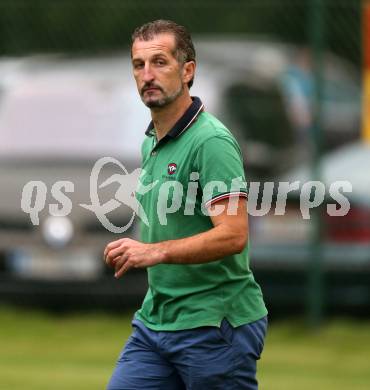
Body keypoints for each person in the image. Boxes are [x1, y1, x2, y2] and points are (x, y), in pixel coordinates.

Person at [104, 19, 268, 390]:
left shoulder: (211, 141)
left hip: (213, 325)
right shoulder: (151, 141)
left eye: (160, 62)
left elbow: (233, 235)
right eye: (138, 64)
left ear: (187, 70)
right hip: (156, 322)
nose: (147, 74)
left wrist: (155, 252)